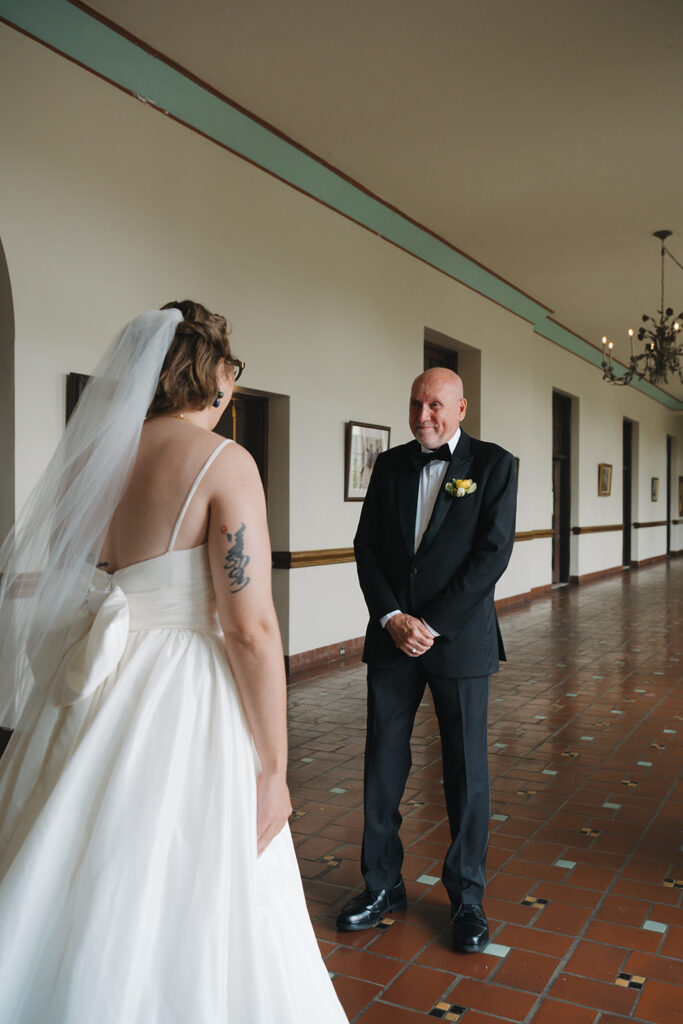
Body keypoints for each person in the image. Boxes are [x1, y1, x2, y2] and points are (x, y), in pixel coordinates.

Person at [0, 301, 348, 1023]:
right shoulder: (224, 463)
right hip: (185, 689)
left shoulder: (94, 462)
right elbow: (249, 629)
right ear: (214, 373)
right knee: (190, 880)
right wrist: (276, 772)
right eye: (233, 370)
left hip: (96, 686)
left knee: (71, 864)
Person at [336, 368, 516, 953]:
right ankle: (383, 884)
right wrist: (392, 618)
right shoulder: (389, 466)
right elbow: (367, 549)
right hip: (393, 641)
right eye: (416, 404)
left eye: (435, 405)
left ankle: (467, 898)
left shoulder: (494, 466)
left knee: (466, 772)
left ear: (461, 408)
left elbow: (491, 557)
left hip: (458, 642)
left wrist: (431, 626)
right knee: (382, 765)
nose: (423, 416)